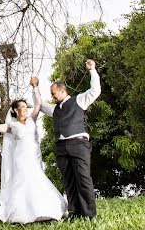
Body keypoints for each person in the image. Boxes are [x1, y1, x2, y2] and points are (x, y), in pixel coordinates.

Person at [31, 59, 101, 221]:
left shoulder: (79, 100)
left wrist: (92, 70)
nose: (52, 97)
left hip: (79, 144)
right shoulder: (55, 109)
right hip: (61, 147)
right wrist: (35, 88)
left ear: (62, 91)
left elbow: (95, 90)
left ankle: (89, 215)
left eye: (54, 94)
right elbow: (39, 105)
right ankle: (74, 213)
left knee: (83, 179)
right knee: (69, 181)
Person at [0, 89, 67, 224]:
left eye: (25, 107)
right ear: (15, 110)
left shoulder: (32, 119)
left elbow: (38, 104)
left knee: (38, 178)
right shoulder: (11, 125)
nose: (25, 109)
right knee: (23, 181)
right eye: (22, 107)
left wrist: (35, 88)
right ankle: (20, 213)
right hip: (20, 157)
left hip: (34, 156)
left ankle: (44, 209)